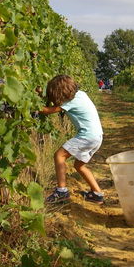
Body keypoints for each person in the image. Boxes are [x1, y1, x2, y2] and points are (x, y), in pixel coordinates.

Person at [39, 75, 104, 204]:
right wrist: (41, 94)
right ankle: (97, 194)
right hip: (97, 136)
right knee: (79, 165)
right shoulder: (81, 94)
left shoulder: (70, 102)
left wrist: (30, 104)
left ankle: (62, 191)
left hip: (87, 136)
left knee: (59, 155)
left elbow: (48, 110)